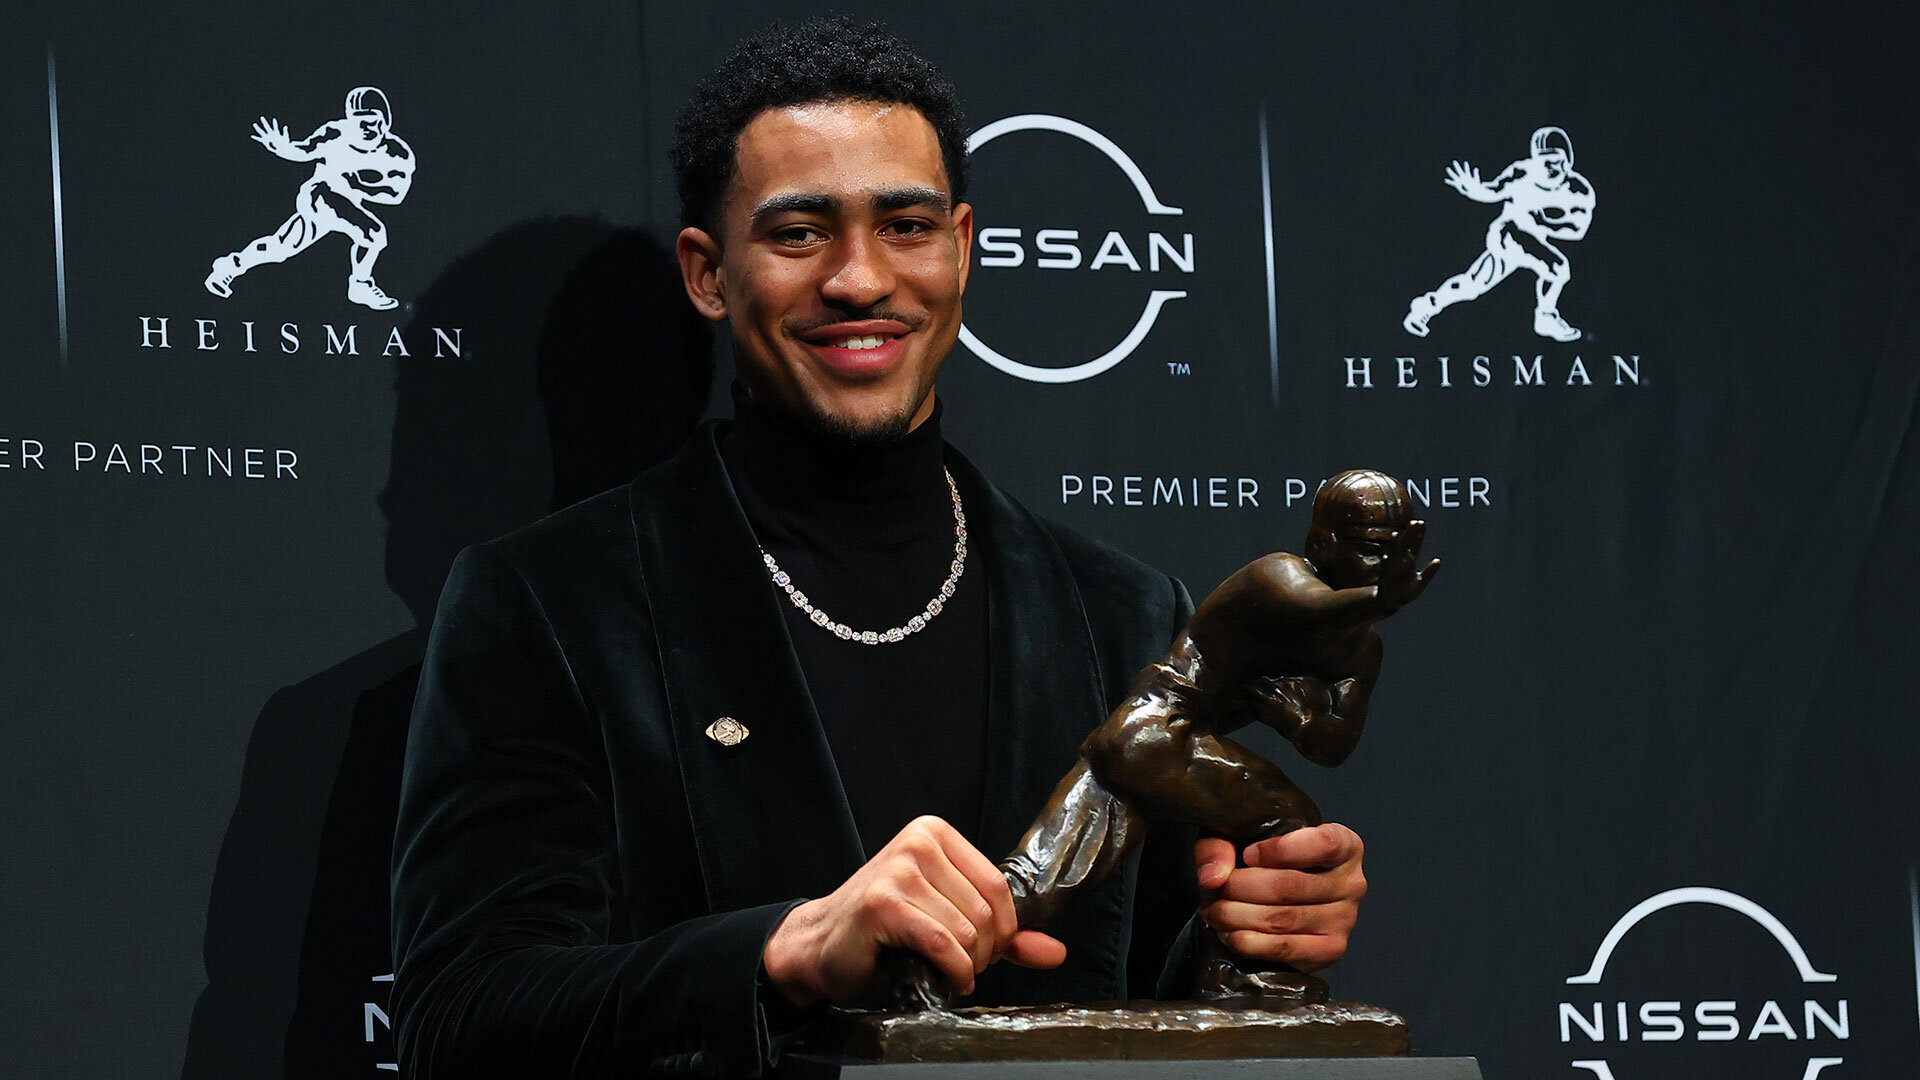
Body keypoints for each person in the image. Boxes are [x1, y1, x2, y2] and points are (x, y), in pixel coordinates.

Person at [390, 18, 1366, 1078]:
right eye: (800, 233)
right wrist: (785, 949)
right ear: (710, 275)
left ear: (962, 247)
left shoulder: (1122, 610)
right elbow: (460, 1016)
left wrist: (1250, 937)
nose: (860, 279)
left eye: (903, 225)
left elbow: (1138, 1005)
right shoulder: (551, 603)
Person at [204, 86, 414, 311]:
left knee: (279, 248)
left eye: (373, 120)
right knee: (372, 233)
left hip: (348, 204)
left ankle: (230, 267)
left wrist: (359, 186)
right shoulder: (335, 134)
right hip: (319, 196)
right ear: (350, 120)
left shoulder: (397, 154)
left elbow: (396, 194)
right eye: (360, 121)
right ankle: (360, 285)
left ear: (385, 121)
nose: (367, 128)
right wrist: (282, 148)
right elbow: (304, 150)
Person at [1403, 125, 1595, 342]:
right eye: (1546, 161)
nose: (1554, 167)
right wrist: (1475, 190)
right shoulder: (1522, 173)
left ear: (1568, 160)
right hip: (1508, 235)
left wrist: (1543, 223)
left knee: (1472, 285)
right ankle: (1545, 317)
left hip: (1533, 242)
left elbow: (1578, 230)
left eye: (1559, 161)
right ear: (1536, 160)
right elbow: (1494, 191)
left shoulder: (1579, 190)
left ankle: (1426, 306)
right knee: (1557, 268)